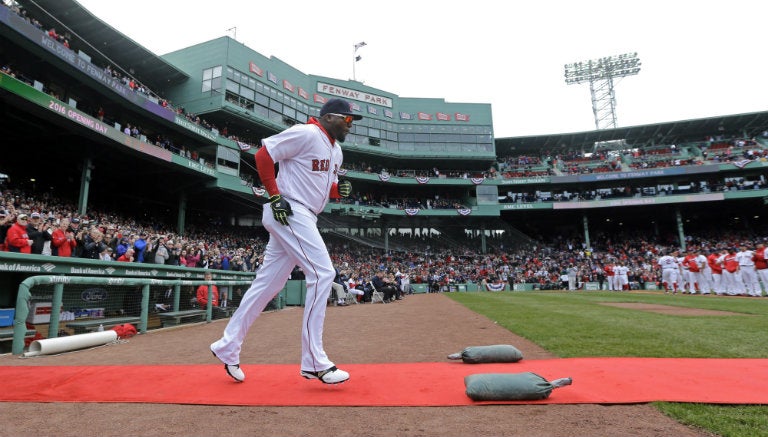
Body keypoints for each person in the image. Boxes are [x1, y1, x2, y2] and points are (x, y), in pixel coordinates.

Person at [210, 98, 360, 384]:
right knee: (323, 273)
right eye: (348, 119)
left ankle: (227, 346)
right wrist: (275, 195)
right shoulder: (306, 132)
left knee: (268, 284)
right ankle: (314, 362)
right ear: (329, 117)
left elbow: (323, 188)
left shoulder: (336, 151)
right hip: (290, 209)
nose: (350, 125)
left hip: (305, 214)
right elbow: (264, 155)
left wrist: (339, 191)